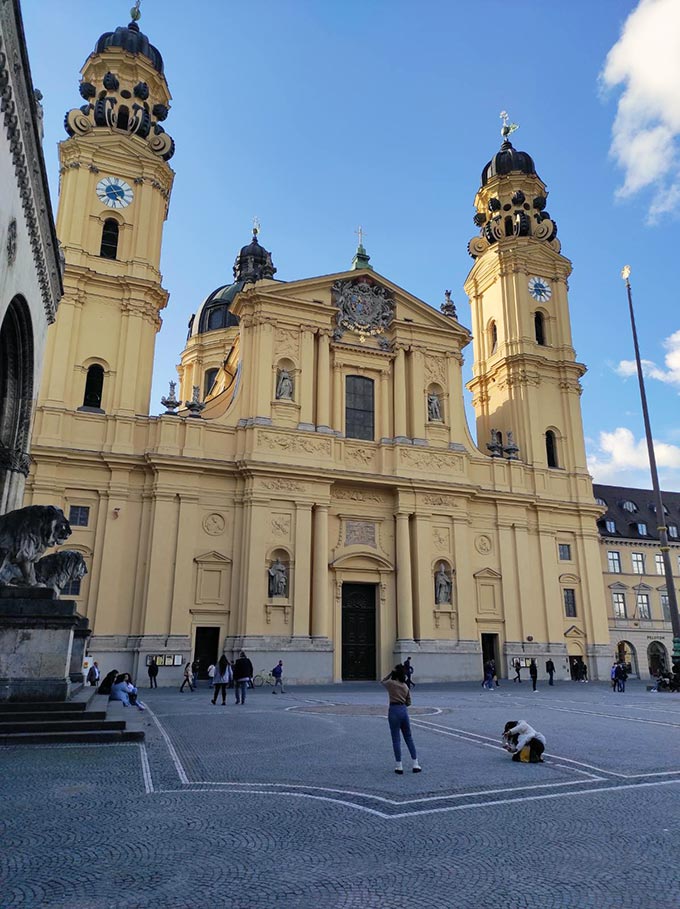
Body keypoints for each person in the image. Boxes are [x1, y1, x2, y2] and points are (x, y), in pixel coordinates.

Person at [380, 664, 421, 774]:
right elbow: (409, 702)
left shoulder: (391, 684)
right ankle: (415, 763)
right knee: (408, 737)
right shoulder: (405, 687)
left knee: (396, 739)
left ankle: (399, 766)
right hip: (403, 710)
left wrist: (390, 673)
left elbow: (383, 681)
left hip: (393, 710)